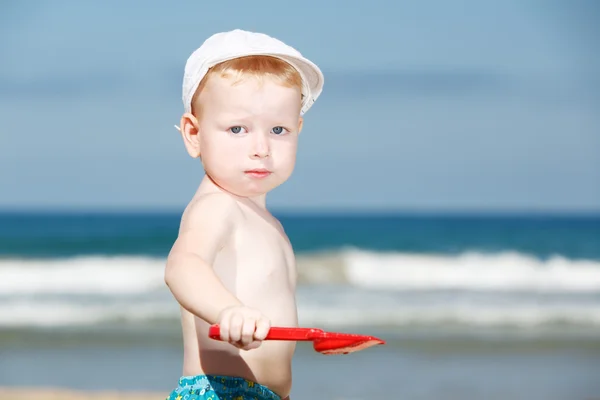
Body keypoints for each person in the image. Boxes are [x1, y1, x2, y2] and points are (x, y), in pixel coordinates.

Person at [164, 29, 324, 400]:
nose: (261, 148)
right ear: (193, 134)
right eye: (237, 129)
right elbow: (183, 265)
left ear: (298, 130)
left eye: (278, 129)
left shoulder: (266, 221)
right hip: (222, 390)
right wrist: (228, 310)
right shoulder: (216, 206)